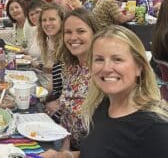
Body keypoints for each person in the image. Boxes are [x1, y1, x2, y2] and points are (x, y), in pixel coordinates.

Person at [41, 25, 168, 157]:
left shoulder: (156, 129)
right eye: (99, 59)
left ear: (139, 67)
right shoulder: (104, 106)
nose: (106, 68)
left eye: (117, 59)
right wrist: (65, 156)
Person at [48, 8, 99, 150]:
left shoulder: (103, 73)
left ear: (95, 33)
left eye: (81, 31)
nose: (73, 37)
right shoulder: (69, 67)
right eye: (68, 32)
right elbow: (67, 112)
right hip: (66, 144)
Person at [37, 2, 64, 123]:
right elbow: (55, 77)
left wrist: (45, 98)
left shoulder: (66, 45)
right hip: (56, 96)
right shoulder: (51, 41)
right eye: (44, 20)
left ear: (62, 21)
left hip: (64, 105)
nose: (47, 23)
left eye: (52, 19)